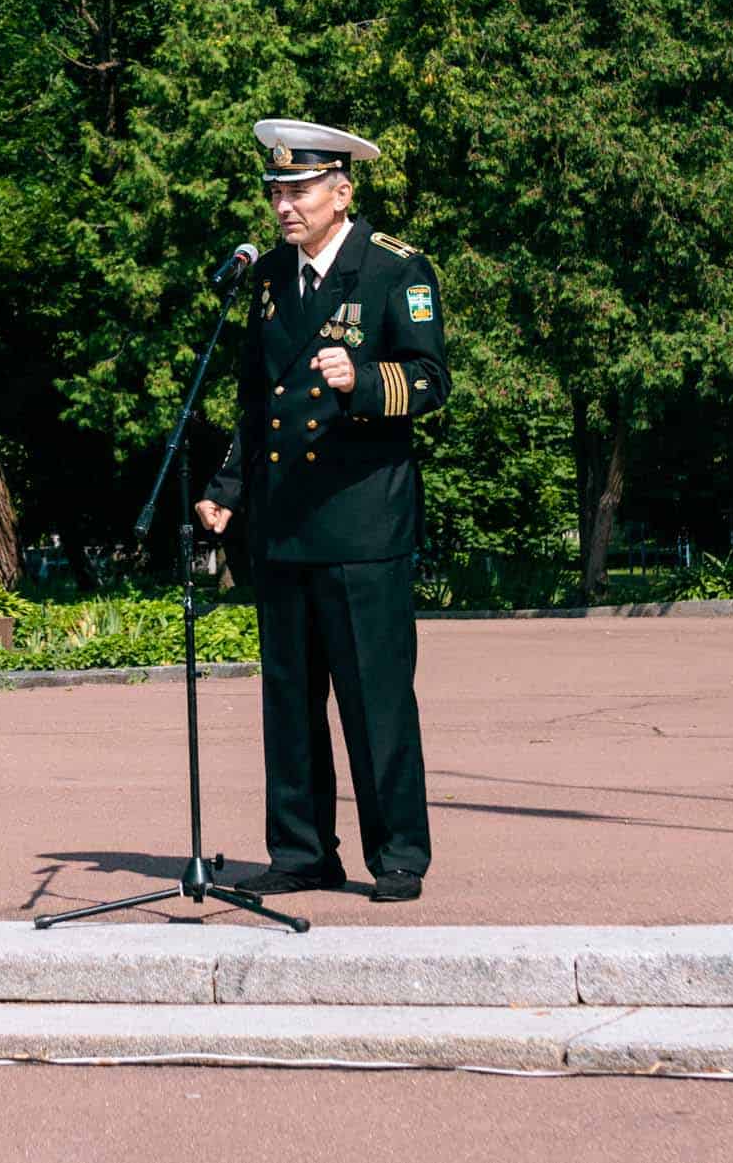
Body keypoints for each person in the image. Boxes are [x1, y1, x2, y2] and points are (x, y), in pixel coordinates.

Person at [195, 118, 450, 902]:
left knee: (373, 696)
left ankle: (398, 854)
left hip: (363, 520)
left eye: (299, 189)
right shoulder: (268, 278)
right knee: (289, 697)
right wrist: (226, 489)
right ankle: (303, 850)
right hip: (285, 522)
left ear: (342, 191)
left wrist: (364, 379)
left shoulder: (394, 270)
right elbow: (254, 400)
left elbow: (434, 381)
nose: (283, 205)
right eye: (276, 190)